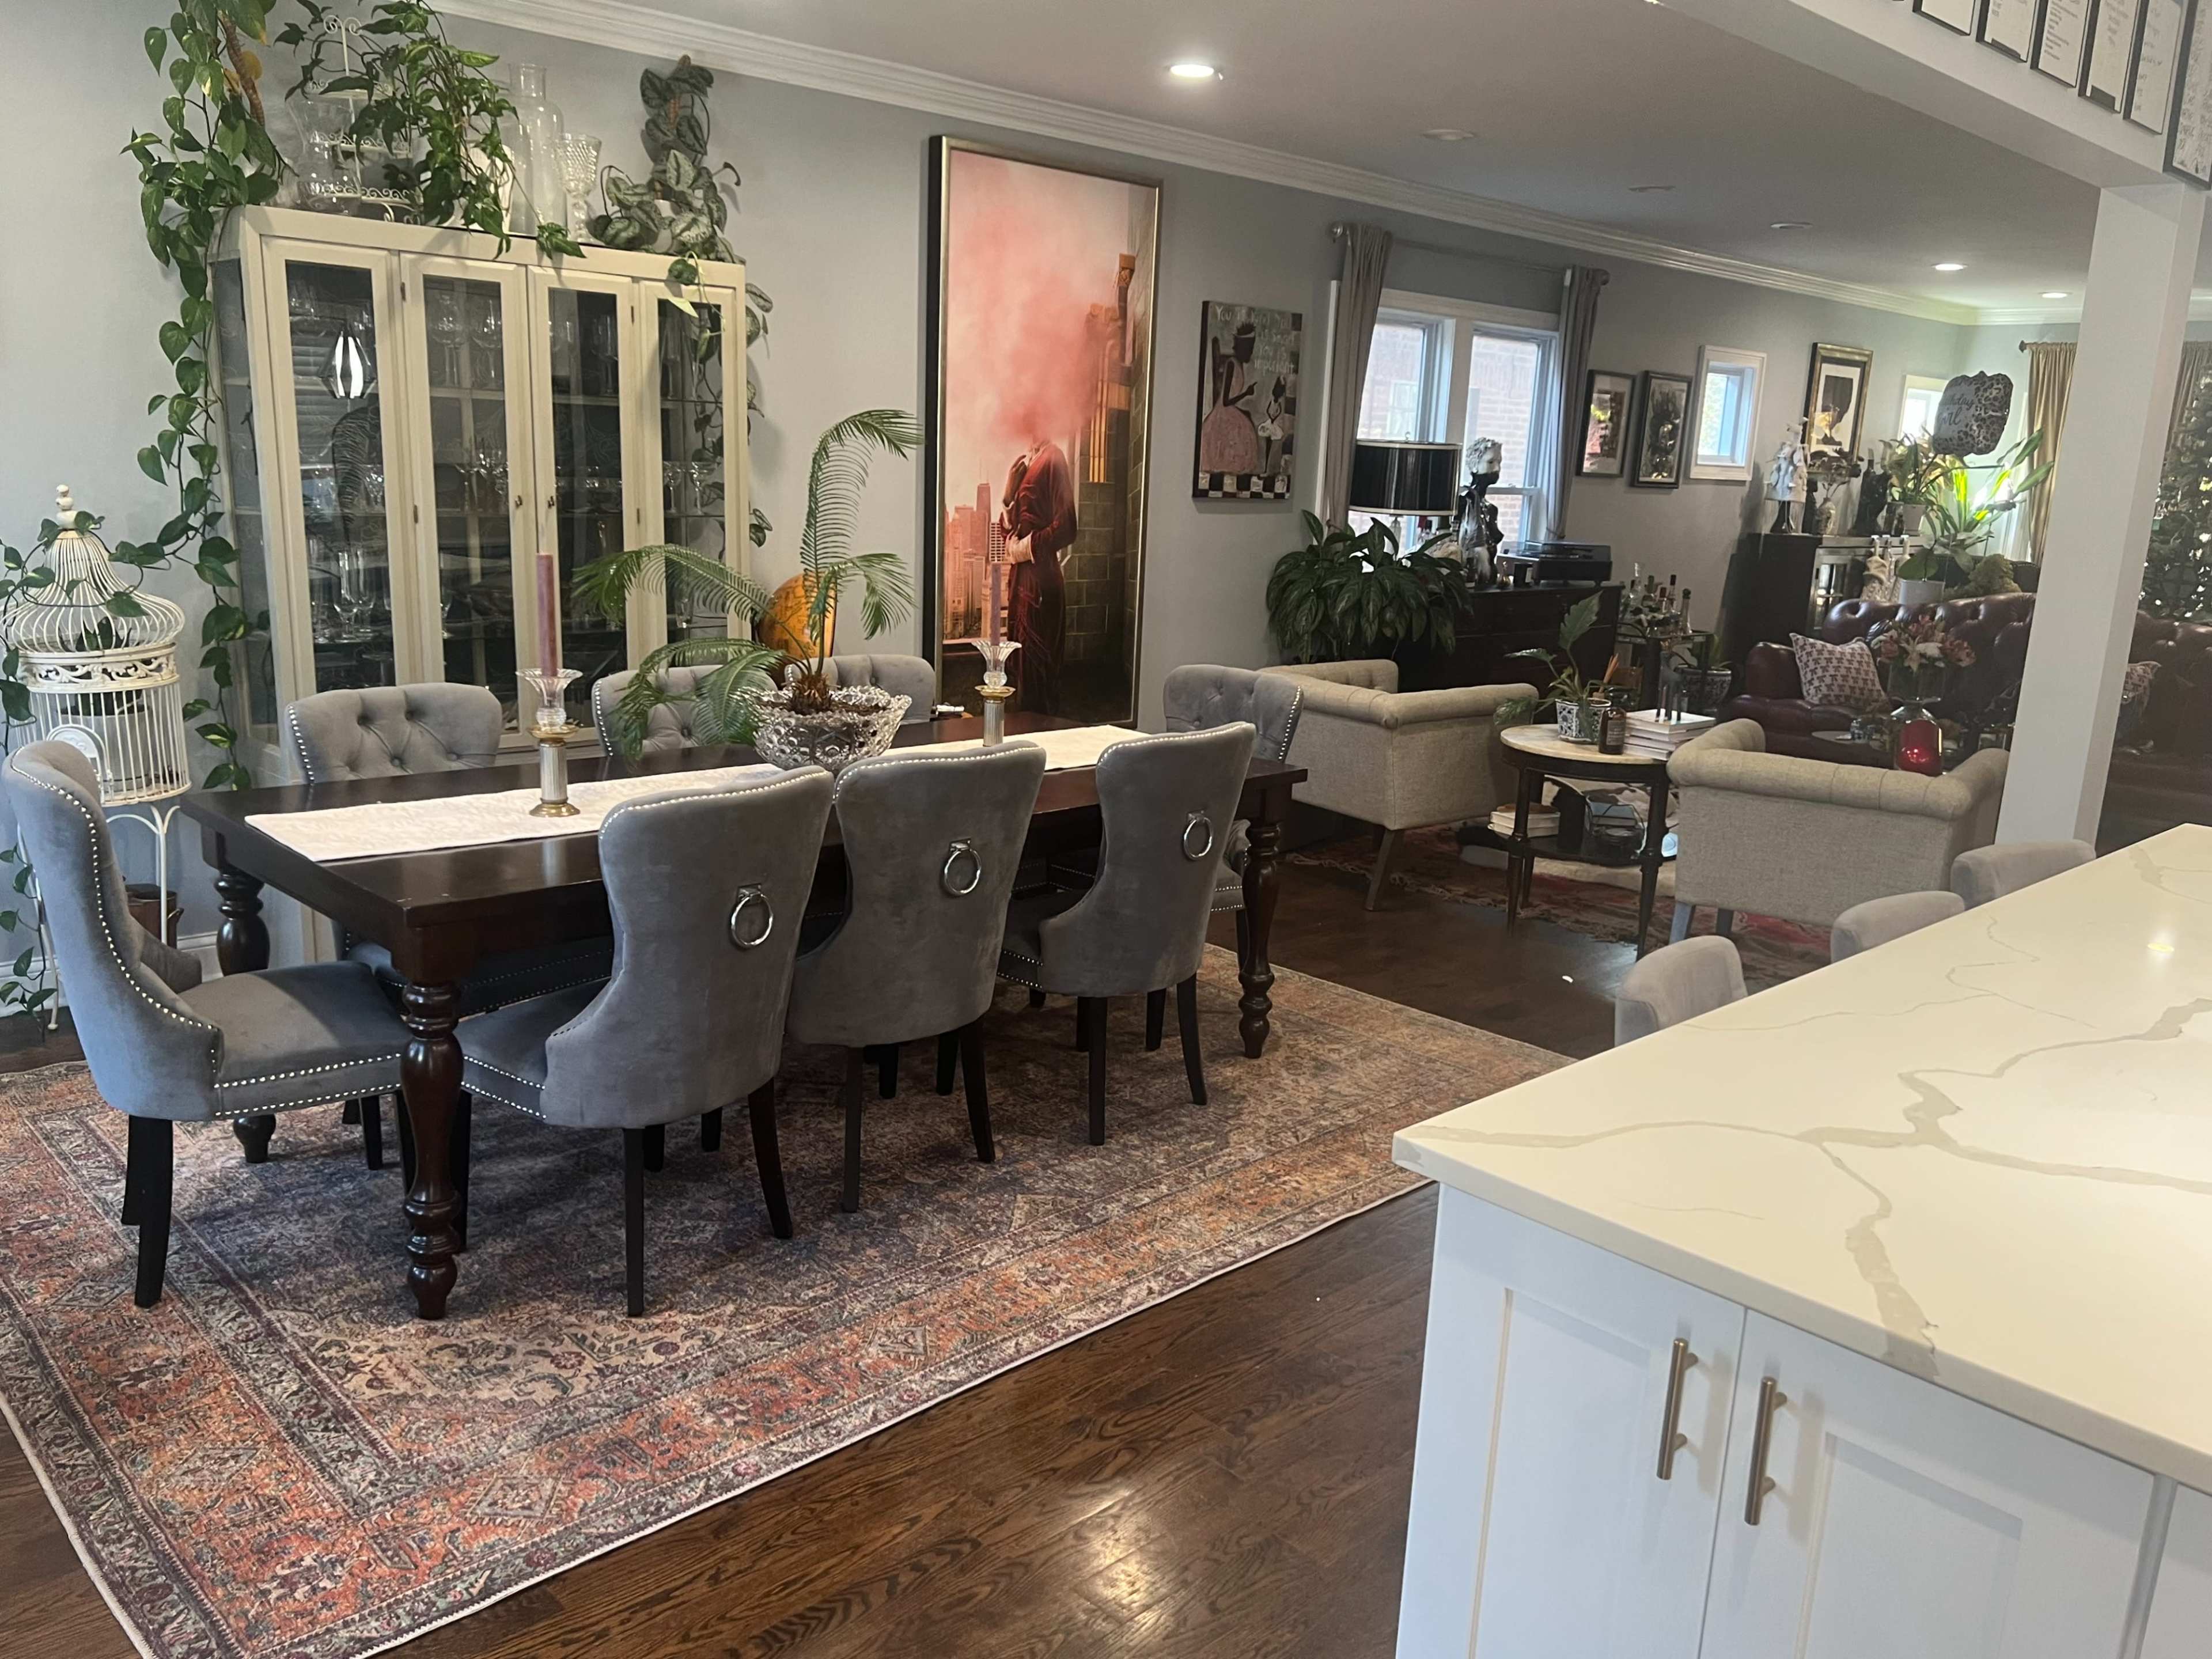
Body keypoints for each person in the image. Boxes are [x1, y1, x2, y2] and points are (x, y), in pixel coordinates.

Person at [1001, 437, 1076, 715]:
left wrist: (1025, 548)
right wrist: (1009, 498)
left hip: (1041, 586)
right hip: (1021, 584)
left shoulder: (1053, 458)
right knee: (1022, 674)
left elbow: (1068, 527)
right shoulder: (1026, 462)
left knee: (1039, 677)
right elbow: (1010, 529)